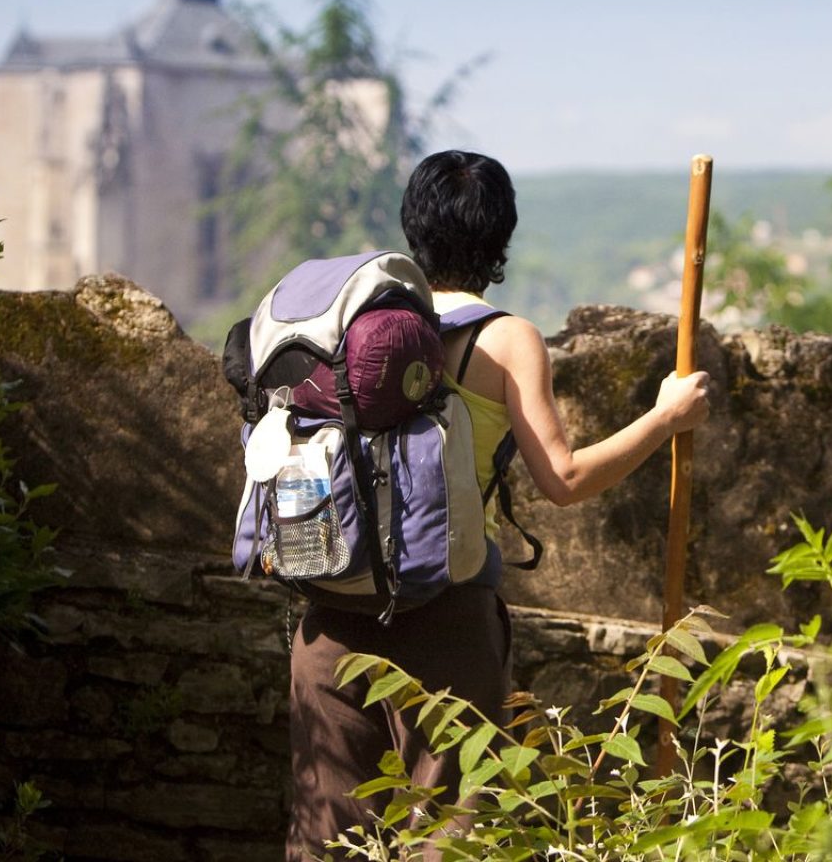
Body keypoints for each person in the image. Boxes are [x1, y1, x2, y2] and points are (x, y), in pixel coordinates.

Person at [285, 150, 712, 860]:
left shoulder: (348, 320)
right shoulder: (507, 339)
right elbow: (563, 478)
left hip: (328, 615)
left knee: (325, 842)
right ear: (502, 238)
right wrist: (665, 419)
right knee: (450, 839)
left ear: (411, 227)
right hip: (446, 622)